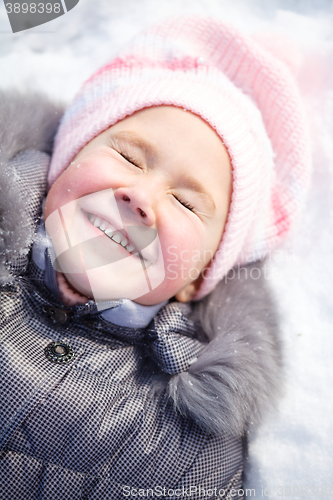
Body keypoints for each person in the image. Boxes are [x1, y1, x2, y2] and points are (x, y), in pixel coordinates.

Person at [0, 16, 310, 500]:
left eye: (187, 203)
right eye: (128, 157)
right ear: (65, 161)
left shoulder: (194, 434)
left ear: (197, 278)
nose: (141, 196)